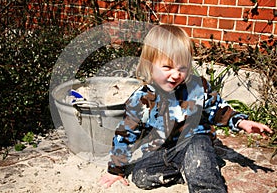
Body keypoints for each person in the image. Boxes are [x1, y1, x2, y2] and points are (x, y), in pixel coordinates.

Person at [98, 24, 273, 192]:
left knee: (198, 156)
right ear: (149, 65)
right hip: (164, 149)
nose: (176, 74)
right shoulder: (141, 99)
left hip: (195, 140)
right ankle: (193, 169)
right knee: (141, 177)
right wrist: (116, 170)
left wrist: (241, 122)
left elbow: (217, 108)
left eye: (182, 68)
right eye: (167, 67)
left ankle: (203, 176)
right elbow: (126, 134)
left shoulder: (197, 88)